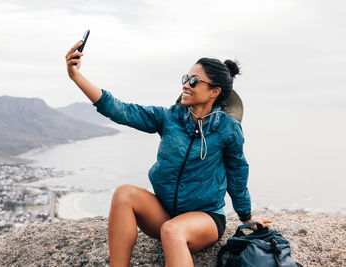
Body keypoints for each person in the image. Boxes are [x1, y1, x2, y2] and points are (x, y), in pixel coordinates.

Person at [65, 40, 272, 267]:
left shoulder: (228, 129)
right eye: (185, 78)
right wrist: (76, 77)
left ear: (215, 91)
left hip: (205, 219)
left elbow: (237, 172)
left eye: (194, 81)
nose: (186, 85)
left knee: (173, 230)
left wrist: (246, 216)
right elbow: (120, 110)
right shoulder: (169, 117)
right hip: (164, 214)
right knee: (124, 194)